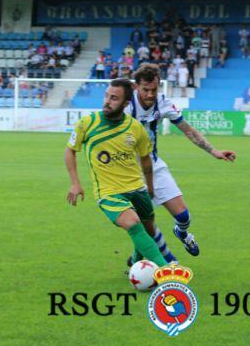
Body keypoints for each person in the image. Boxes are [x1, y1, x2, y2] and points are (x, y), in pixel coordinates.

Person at [126, 64, 237, 259]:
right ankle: (153, 262)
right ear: (137, 87)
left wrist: (214, 151)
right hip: (128, 170)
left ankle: (182, 233)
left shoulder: (163, 103)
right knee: (144, 223)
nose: (151, 94)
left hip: (153, 165)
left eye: (154, 89)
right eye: (145, 90)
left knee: (183, 216)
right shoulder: (126, 106)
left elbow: (188, 130)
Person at [64, 79, 168, 268]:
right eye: (106, 96)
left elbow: (146, 158)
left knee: (148, 230)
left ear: (126, 104)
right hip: (108, 192)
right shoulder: (87, 123)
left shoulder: (135, 127)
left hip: (137, 188)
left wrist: (150, 187)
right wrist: (75, 183)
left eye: (114, 98)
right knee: (134, 224)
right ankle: (166, 270)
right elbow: (70, 150)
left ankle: (136, 264)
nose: (107, 101)